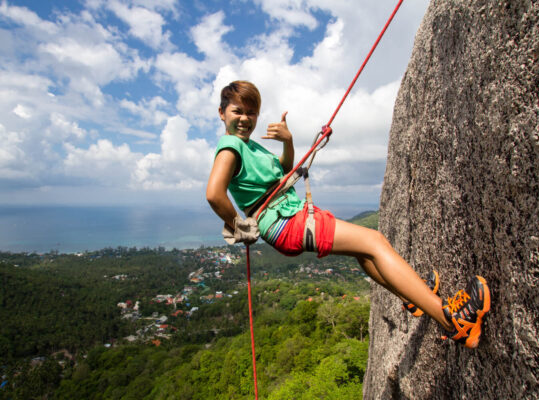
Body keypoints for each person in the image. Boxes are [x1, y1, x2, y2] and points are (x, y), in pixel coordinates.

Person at [206, 80, 491, 348]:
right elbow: (214, 194)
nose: (244, 118)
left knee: (364, 252)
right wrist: (240, 227)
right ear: (222, 113)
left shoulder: (248, 146)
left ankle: (413, 297)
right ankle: (453, 321)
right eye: (237, 111)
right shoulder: (230, 146)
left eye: (251, 112)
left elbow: (283, 172)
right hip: (285, 221)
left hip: (286, 218)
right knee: (375, 242)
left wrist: (288, 141)